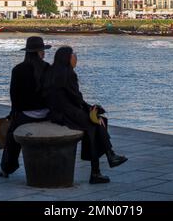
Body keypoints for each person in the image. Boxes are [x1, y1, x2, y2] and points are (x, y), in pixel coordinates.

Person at [46, 46, 128, 184]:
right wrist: (92, 108)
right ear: (67, 58)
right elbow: (76, 98)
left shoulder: (52, 72)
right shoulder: (69, 74)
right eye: (74, 55)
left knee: (96, 124)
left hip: (57, 112)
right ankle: (105, 160)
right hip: (67, 113)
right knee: (96, 124)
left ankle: (106, 159)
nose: (76, 58)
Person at [0, 36, 51, 178]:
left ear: (27, 52)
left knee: (11, 137)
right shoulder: (48, 68)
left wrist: (13, 114)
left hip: (26, 115)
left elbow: (14, 97)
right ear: (40, 52)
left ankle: (6, 168)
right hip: (47, 114)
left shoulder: (18, 70)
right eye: (43, 50)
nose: (44, 53)